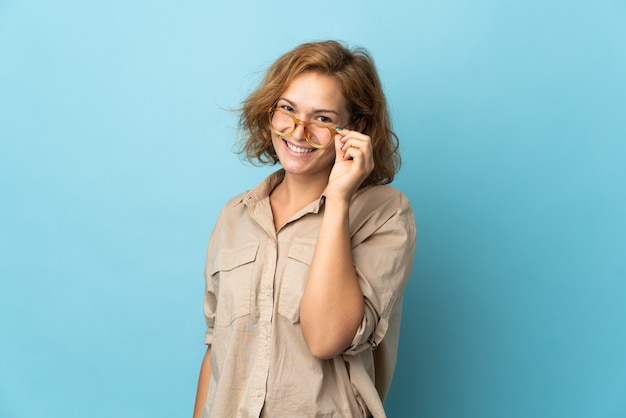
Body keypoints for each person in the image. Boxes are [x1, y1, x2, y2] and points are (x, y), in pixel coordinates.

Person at [193, 40, 416, 418]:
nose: (298, 132)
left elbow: (326, 337)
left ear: (356, 128)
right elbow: (218, 350)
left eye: (323, 119)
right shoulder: (235, 216)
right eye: (288, 109)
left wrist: (338, 200)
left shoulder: (385, 214)